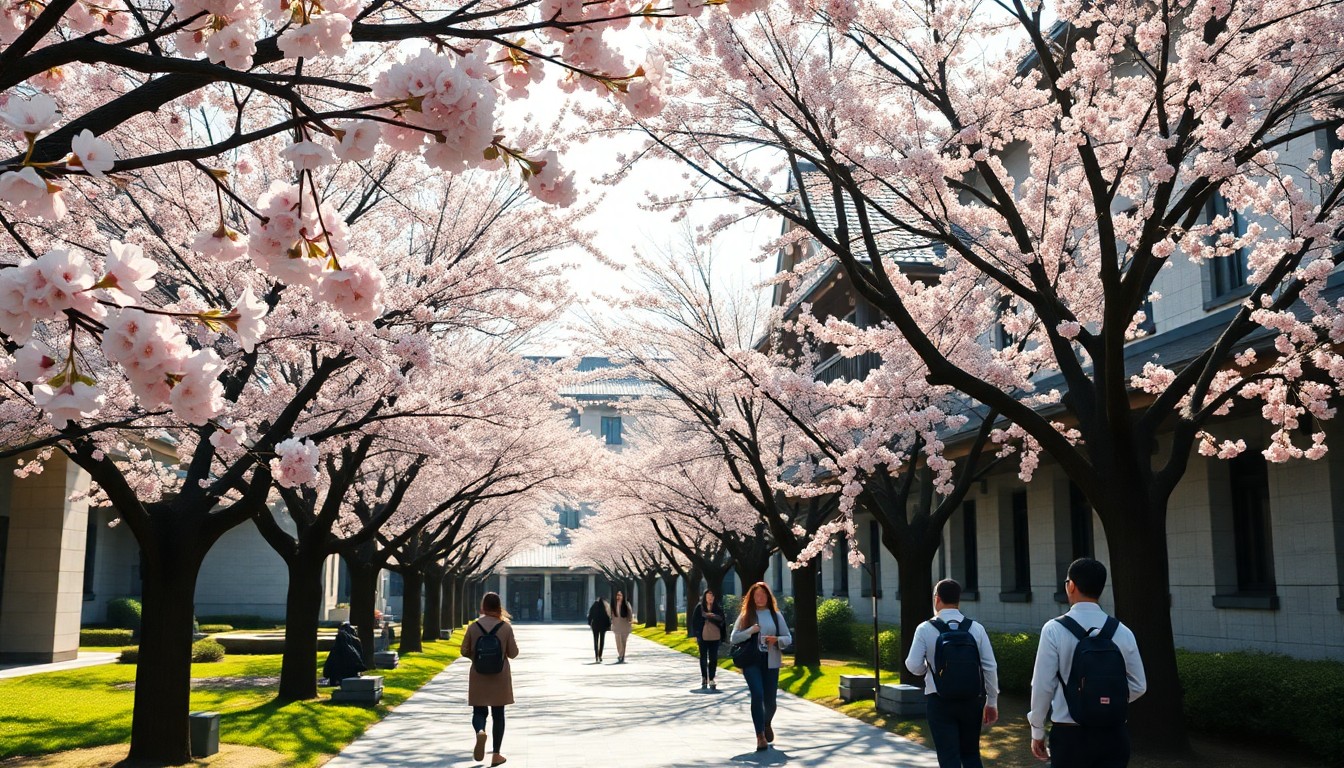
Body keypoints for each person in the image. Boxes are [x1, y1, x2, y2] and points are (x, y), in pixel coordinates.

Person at [1029, 558, 1147, 768]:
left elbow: (1042, 686)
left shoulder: (1054, 629)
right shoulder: (1122, 631)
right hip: (1114, 733)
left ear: (1071, 585)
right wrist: (1104, 701)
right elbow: (1139, 685)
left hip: (1069, 734)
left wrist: (1037, 731)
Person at [905, 578, 1000, 768]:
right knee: (971, 754)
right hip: (971, 701)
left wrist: (928, 669)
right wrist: (991, 702)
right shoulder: (976, 629)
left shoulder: (925, 629)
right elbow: (989, 667)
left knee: (949, 758)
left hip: (939, 701)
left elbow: (913, 665)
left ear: (937, 599)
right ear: (958, 600)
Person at [729, 582, 792, 752]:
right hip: (751, 661)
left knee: (770, 701)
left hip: (771, 659)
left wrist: (777, 640)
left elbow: (788, 637)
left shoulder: (776, 615)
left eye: (763, 595)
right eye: (756, 595)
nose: (760, 598)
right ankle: (760, 736)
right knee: (757, 694)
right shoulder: (746, 615)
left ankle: (766, 722)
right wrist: (750, 631)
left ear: (768, 596)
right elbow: (733, 638)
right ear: (751, 597)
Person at [461, 592, 519, 767]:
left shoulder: (473, 627)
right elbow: (513, 653)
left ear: (483, 606)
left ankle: (480, 731)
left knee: (479, 712)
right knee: (498, 715)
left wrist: (475, 657)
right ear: (499, 606)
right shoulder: (505, 627)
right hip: (499, 675)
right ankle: (496, 755)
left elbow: (464, 651)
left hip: (479, 674)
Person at [689, 588, 726, 689]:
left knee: (713, 658)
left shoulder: (717, 608)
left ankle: (712, 678)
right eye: (708, 596)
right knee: (703, 658)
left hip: (715, 637)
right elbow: (695, 622)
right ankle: (704, 677)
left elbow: (722, 621)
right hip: (703, 637)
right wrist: (697, 635)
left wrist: (713, 616)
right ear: (705, 597)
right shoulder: (700, 608)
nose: (710, 598)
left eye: (712, 596)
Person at [610, 591, 635, 663]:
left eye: (620, 595)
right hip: (617, 625)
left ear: (623, 596)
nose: (618, 597)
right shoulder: (614, 605)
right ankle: (620, 654)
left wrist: (630, 621)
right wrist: (612, 623)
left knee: (623, 641)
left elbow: (630, 614)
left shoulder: (626, 604)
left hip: (625, 625)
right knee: (618, 641)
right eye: (617, 595)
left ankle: (622, 656)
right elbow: (612, 615)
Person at [586, 597, 611, 663]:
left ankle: (596, 655)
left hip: (595, 625)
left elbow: (590, 615)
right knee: (602, 640)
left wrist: (589, 623)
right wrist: (609, 626)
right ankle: (600, 655)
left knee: (595, 640)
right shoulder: (605, 607)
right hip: (603, 626)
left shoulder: (594, 606)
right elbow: (608, 617)